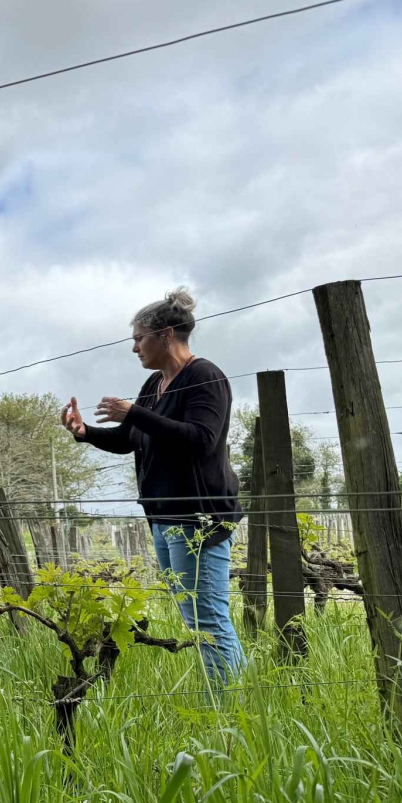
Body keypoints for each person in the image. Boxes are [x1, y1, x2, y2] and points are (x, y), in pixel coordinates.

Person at [62, 287, 246, 682]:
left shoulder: (204, 377)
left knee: (207, 617)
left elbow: (201, 438)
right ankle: (235, 691)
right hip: (164, 518)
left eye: (138, 338)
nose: (134, 349)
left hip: (200, 518)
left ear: (165, 336)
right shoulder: (154, 386)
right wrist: (84, 432)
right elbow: (129, 439)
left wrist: (134, 413)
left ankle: (230, 703)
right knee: (195, 613)